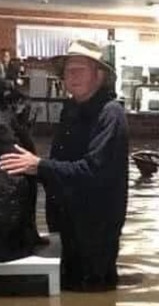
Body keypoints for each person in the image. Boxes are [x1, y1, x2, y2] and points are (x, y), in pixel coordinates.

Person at [0, 39, 129, 291]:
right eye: (68, 71)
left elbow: (95, 172)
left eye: (79, 70)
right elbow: (59, 164)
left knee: (93, 294)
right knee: (69, 293)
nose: (71, 76)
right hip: (66, 227)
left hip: (94, 231)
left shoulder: (110, 115)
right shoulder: (71, 111)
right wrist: (34, 171)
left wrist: (39, 166)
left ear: (99, 75)